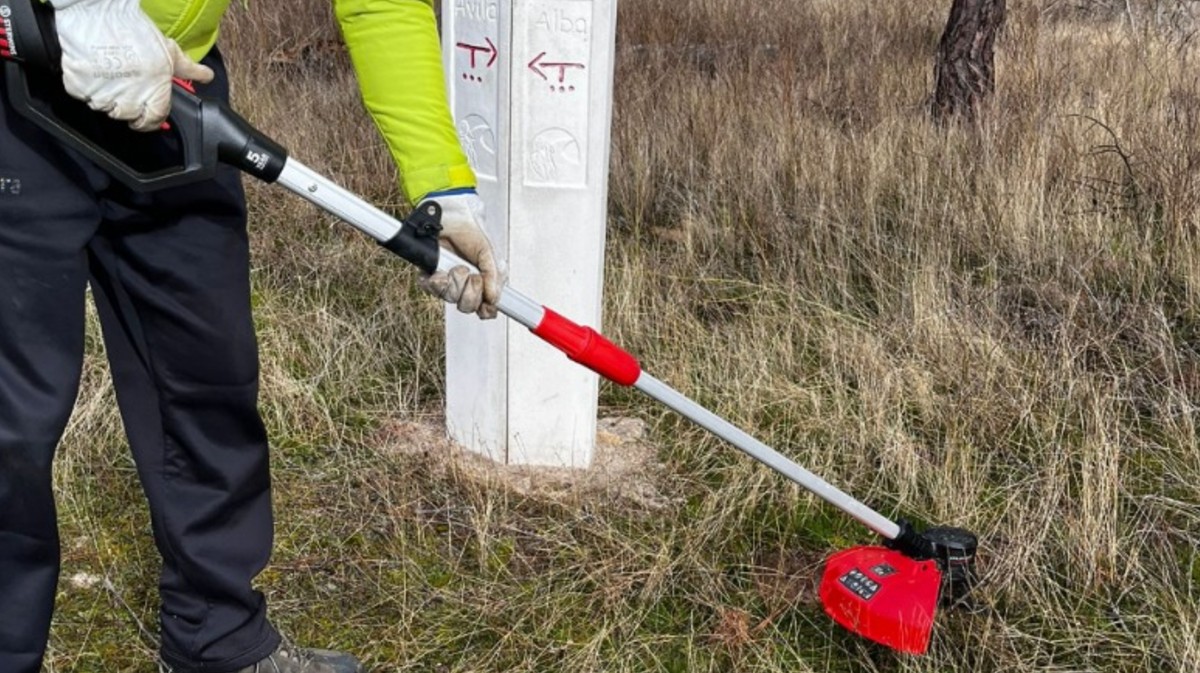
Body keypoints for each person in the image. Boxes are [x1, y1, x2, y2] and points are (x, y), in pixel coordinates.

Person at [0, 0, 501, 671]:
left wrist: (442, 180)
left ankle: (217, 637)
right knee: (11, 419)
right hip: (20, 87)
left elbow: (379, 3)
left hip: (173, 92)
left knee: (208, 377)